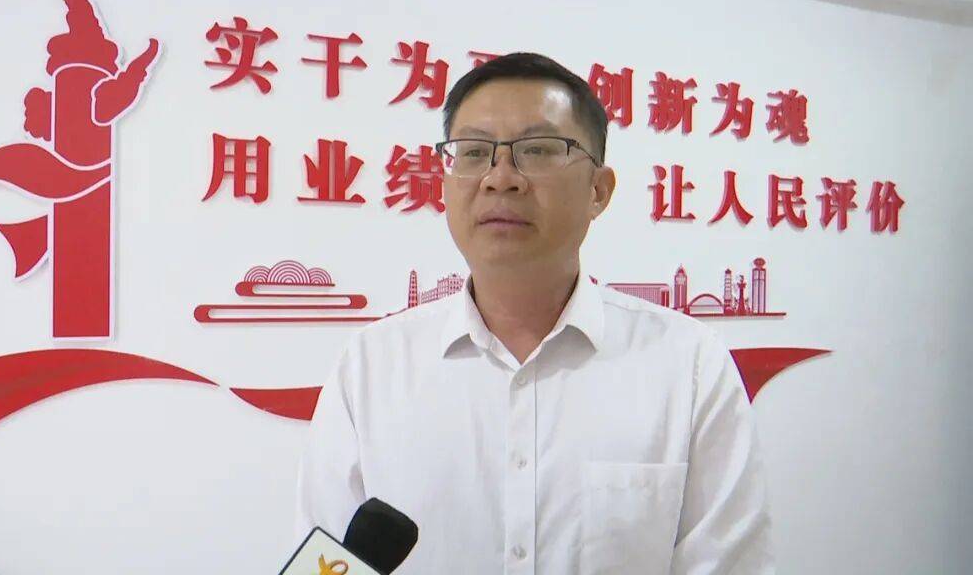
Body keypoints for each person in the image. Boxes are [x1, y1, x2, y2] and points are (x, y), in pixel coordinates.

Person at [295, 52, 774, 574]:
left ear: (599, 191)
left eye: (538, 150)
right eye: (474, 152)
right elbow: (326, 560)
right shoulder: (370, 367)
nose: (501, 178)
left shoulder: (689, 366)